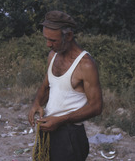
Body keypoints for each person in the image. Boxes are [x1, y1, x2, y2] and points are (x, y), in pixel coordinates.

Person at [28, 11, 103, 161]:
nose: (48, 44)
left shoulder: (85, 64)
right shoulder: (53, 55)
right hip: (48, 129)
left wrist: (61, 120)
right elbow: (47, 85)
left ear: (68, 36)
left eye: (53, 40)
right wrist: (36, 103)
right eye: (46, 39)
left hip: (70, 135)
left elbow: (96, 107)